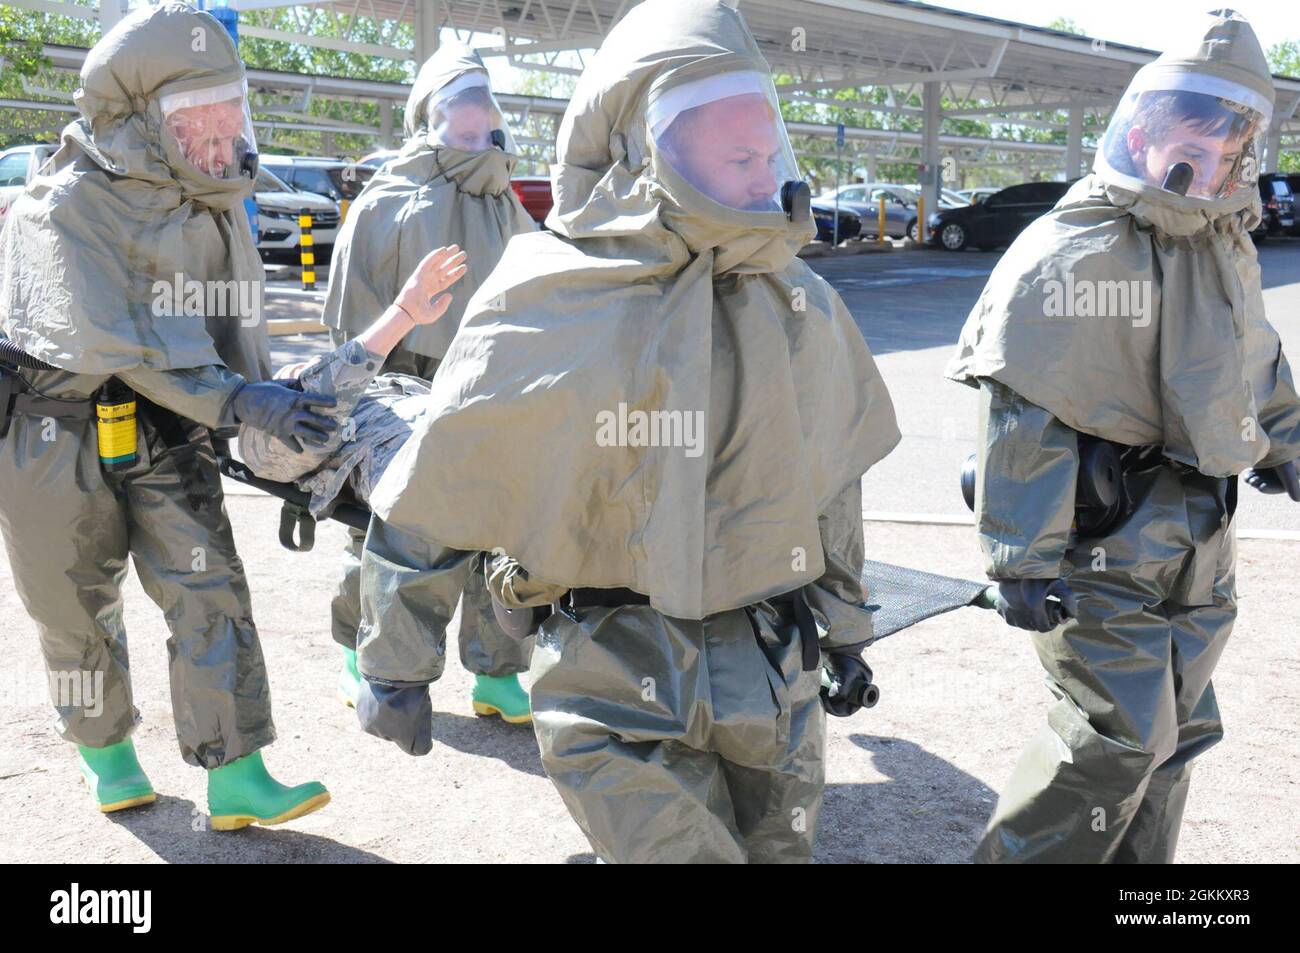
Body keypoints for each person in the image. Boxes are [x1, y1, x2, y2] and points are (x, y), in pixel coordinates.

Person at [351, 0, 899, 863]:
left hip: (771, 671)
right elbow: (442, 481)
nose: (767, 177)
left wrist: (848, 628)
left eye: (769, 152)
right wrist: (396, 658)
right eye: (738, 156)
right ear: (652, 153)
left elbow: (830, 487)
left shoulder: (796, 300)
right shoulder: (549, 294)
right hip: (607, 674)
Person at [946, 8, 1300, 863]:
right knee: (1115, 740)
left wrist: (1287, 441)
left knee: (1176, 733)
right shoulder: (1071, 249)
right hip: (1102, 540)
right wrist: (1020, 555)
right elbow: (1023, 411)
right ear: (1141, 130)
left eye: (1229, 148)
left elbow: (1251, 360)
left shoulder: (1220, 245)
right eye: (1192, 139)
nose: (1208, 163)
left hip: (1200, 538)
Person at [0, 3, 340, 828]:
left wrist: (268, 404)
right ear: (144, 119)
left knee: (208, 584)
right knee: (72, 603)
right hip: (54, 426)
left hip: (164, 424)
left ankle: (238, 772)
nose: (224, 138)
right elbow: (118, 339)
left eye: (232, 114)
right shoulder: (65, 204)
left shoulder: (211, 197)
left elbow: (226, 317)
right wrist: (237, 398)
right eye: (202, 121)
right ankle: (108, 755)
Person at [320, 43, 537, 721]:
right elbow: (351, 309)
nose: (480, 143)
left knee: (503, 531)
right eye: (462, 131)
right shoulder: (388, 198)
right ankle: (362, 649)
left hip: (491, 385)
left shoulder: (504, 200)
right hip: (402, 385)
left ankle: (497, 669)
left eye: (486, 130)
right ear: (427, 123)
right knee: (388, 528)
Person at [238, 246, 467, 514]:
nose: (309, 365)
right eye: (295, 375)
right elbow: (321, 399)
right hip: (433, 479)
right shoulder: (266, 433)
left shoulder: (383, 389)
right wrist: (403, 314)